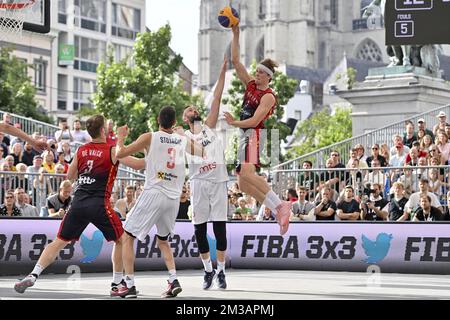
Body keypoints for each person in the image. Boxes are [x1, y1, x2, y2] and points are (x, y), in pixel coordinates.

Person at [13, 114, 145, 296]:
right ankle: (116, 284)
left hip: (78, 202)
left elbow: (70, 176)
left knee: (59, 241)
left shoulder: (82, 150)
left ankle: (34, 274)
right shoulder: (112, 150)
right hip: (99, 203)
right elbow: (138, 165)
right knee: (122, 239)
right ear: (102, 130)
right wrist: (155, 160)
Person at [114, 106, 204, 298]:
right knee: (163, 241)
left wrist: (120, 137)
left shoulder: (150, 137)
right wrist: (184, 134)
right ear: (174, 123)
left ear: (157, 119)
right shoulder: (182, 139)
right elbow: (203, 152)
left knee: (127, 236)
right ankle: (173, 280)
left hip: (155, 192)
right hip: (173, 198)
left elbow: (120, 154)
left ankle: (129, 284)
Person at [223, 24, 291, 235]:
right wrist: (236, 33)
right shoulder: (251, 85)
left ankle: (280, 205)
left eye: (261, 72)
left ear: (269, 77)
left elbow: (253, 121)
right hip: (244, 134)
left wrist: (234, 123)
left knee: (246, 173)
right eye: (257, 71)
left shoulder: (269, 96)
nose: (257, 73)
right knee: (243, 185)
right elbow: (235, 61)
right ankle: (278, 209)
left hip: (252, 134)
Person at [183, 57, 229, 290]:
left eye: (195, 107)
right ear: (185, 118)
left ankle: (221, 271)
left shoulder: (209, 125)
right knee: (199, 230)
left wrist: (222, 70)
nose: (194, 109)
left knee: (220, 230)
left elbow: (218, 97)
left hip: (219, 181)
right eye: (189, 109)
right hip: (199, 183)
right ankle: (207, 270)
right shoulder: (184, 136)